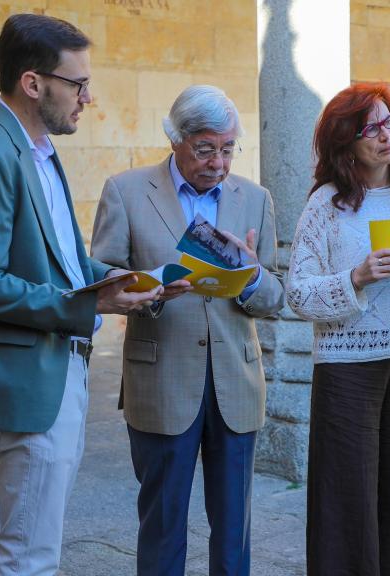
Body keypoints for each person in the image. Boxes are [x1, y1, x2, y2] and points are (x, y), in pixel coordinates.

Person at [0, 13, 159, 576]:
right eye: (77, 84)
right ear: (33, 83)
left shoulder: (40, 149)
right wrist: (86, 305)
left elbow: (68, 260)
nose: (88, 97)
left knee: (40, 542)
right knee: (27, 554)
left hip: (59, 366)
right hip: (26, 378)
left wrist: (133, 279)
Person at [91, 84, 284, 576]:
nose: (218, 162)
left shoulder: (255, 198)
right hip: (161, 378)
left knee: (233, 526)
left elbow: (275, 296)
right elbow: (104, 278)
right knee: (162, 521)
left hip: (235, 384)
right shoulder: (126, 191)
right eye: (205, 149)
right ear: (174, 138)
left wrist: (252, 276)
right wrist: (151, 293)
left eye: (227, 148)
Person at [286, 83, 390, 576]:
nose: (384, 137)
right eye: (369, 129)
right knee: (346, 497)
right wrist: (356, 276)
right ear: (345, 141)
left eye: (389, 124)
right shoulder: (326, 203)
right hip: (345, 365)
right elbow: (298, 293)